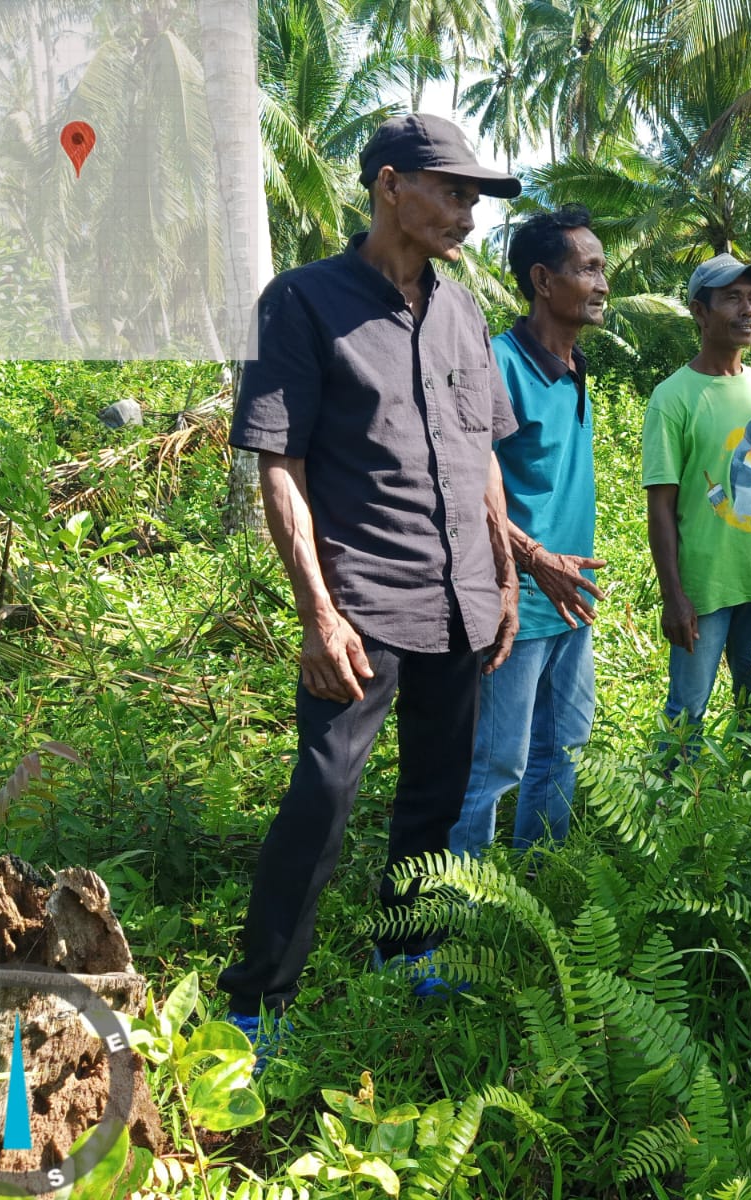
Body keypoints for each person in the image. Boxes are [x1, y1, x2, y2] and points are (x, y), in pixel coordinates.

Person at [219, 113, 525, 1070]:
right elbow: (282, 468)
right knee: (323, 793)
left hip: (461, 598)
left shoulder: (464, 310)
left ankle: (412, 949)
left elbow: (480, 451)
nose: (468, 214)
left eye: (476, 198)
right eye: (453, 191)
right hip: (363, 600)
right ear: (391, 184)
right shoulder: (303, 302)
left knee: (437, 792)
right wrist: (316, 613)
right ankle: (258, 1003)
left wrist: (506, 570)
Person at [447, 206, 608, 856]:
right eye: (588, 268)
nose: (602, 282)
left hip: (572, 603)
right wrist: (535, 559)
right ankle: (448, 913)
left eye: (603, 267)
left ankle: (537, 890)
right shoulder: (499, 367)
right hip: (511, 605)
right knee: (494, 765)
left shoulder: (572, 366)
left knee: (563, 747)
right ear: (543, 280)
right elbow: (458, 488)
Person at [642, 253, 751, 751]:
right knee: (686, 712)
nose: (748, 310)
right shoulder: (673, 398)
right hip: (703, 589)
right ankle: (672, 812)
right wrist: (674, 596)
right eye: (732, 298)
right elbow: (661, 509)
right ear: (699, 312)